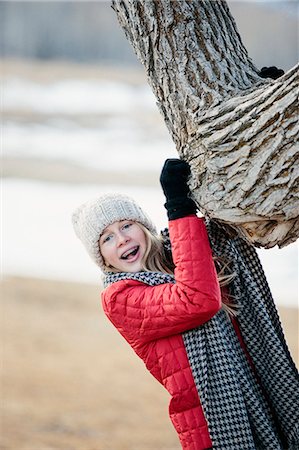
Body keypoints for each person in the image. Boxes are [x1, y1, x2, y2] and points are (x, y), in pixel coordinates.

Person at [72, 159, 299, 450]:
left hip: (264, 397)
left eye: (127, 225)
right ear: (102, 258)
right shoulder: (120, 298)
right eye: (107, 238)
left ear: (143, 227)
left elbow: (226, 236)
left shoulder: (182, 255)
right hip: (217, 431)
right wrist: (179, 207)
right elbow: (197, 299)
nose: (122, 239)